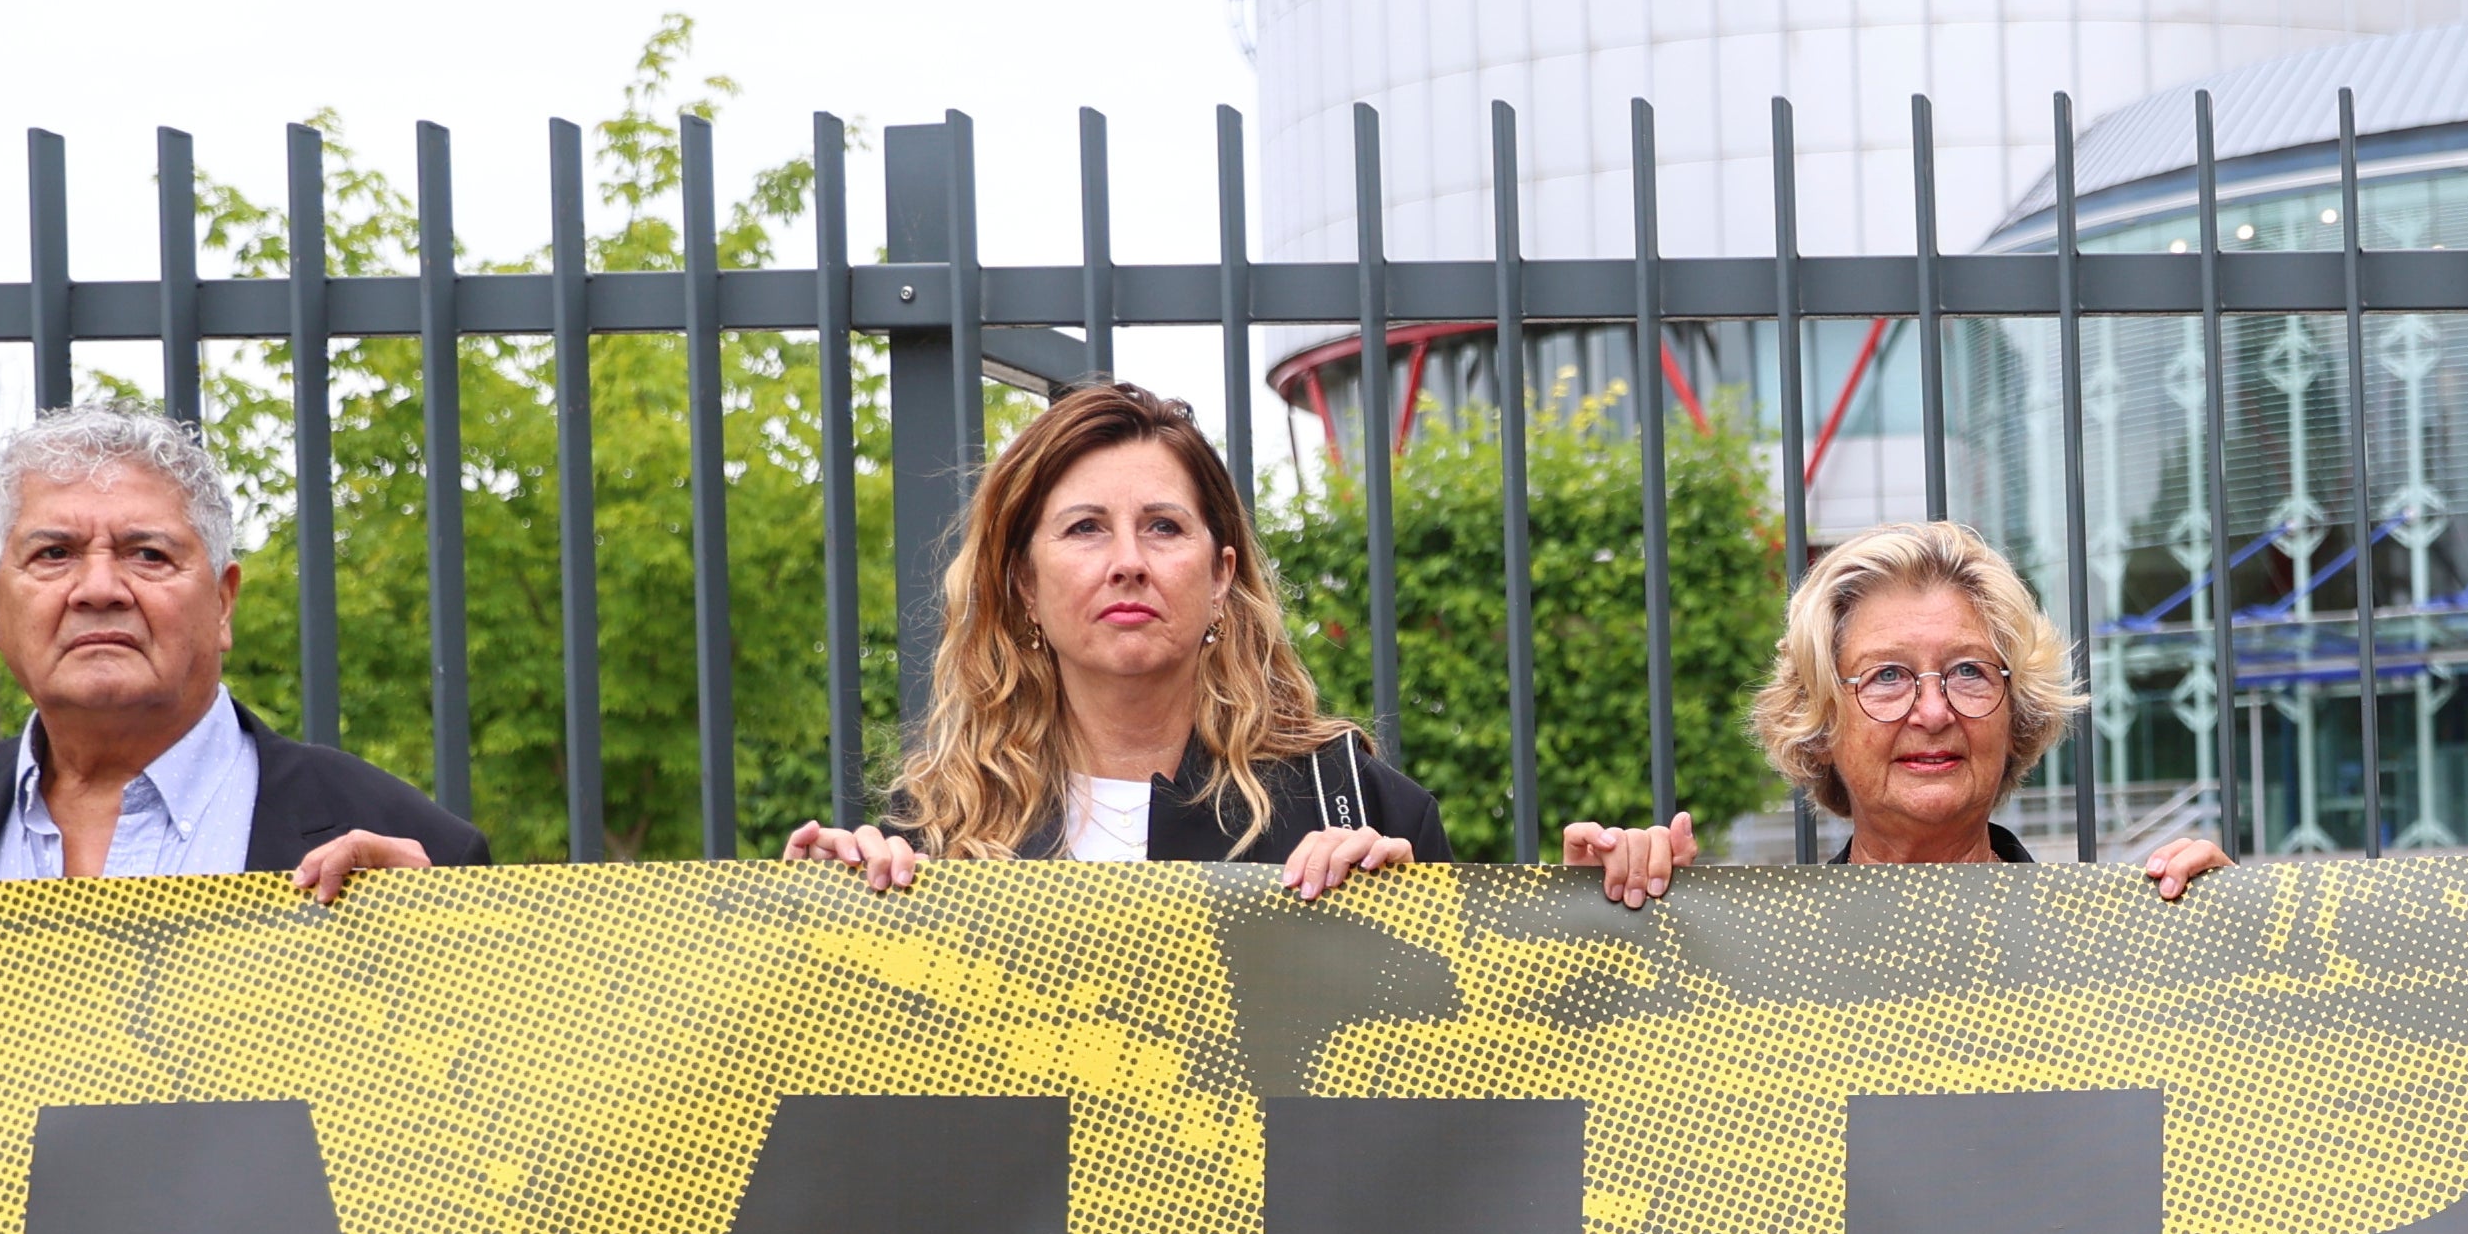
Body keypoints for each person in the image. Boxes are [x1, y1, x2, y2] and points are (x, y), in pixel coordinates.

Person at [783, 380, 1435, 895]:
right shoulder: (932, 832)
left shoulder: (1354, 806)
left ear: (1220, 575)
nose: (1128, 561)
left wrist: (1412, 924)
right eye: (1085, 527)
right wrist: (811, 929)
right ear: (1025, 585)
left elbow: (1457, 1042)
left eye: (1163, 526)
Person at [0, 408, 482, 898]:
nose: (98, 588)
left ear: (223, 601)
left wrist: (432, 948)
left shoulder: (412, 849)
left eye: (148, 554)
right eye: (54, 554)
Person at [1554, 521, 2229, 901]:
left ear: (2016, 711)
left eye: (1967, 670)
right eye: (1886, 676)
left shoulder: (2116, 941)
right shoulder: (1757, 958)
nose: (1931, 710)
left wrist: (2233, 929)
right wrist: (1615, 933)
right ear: (1819, 724)